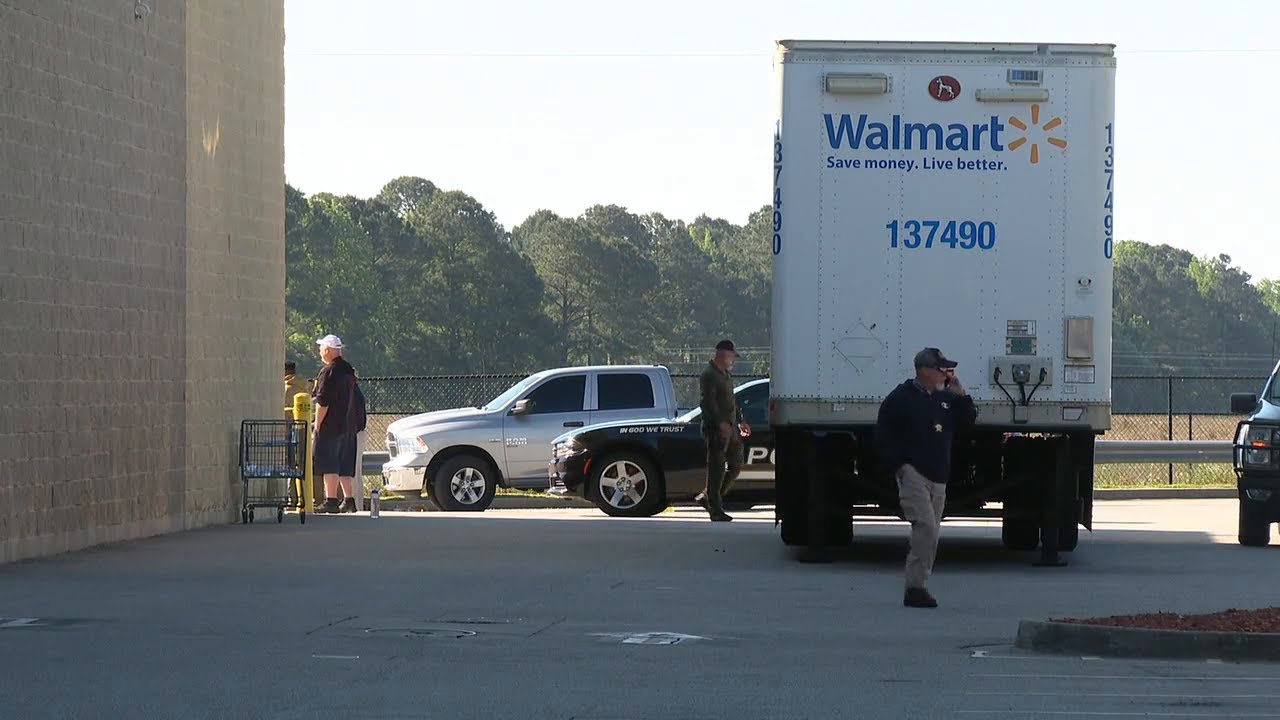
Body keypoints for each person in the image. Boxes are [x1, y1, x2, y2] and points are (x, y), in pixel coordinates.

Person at [875, 347, 977, 608]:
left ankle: (921, 582)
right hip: (913, 472)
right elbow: (883, 433)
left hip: (939, 474)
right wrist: (899, 465)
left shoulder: (945, 399)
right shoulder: (902, 398)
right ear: (925, 371)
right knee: (925, 526)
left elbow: (968, 421)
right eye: (942, 369)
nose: (946, 374)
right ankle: (915, 587)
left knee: (933, 532)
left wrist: (961, 394)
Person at [695, 339, 751, 522]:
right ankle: (715, 509)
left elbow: (731, 401)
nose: (733, 360)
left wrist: (740, 421)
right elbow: (707, 402)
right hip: (716, 429)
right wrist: (719, 423)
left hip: (731, 427)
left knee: (736, 465)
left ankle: (708, 497)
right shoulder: (709, 375)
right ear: (724, 354)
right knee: (717, 468)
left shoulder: (725, 374)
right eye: (732, 356)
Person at [311, 334, 360, 514]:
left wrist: (318, 424)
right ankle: (349, 500)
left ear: (328, 350)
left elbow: (323, 401)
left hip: (331, 426)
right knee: (345, 463)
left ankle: (331, 500)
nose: (320, 352)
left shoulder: (328, 371)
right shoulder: (349, 371)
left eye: (321, 349)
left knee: (329, 462)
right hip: (349, 425)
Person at [284, 361, 310, 510]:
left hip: (287, 429)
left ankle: (292, 499)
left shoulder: (284, 388)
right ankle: (304, 498)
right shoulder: (305, 387)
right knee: (302, 465)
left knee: (289, 466)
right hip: (302, 430)